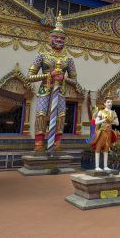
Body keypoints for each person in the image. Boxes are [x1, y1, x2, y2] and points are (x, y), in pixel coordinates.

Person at [27, 11, 77, 151]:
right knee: (41, 115)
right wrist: (49, 75)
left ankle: (57, 143)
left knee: (61, 116)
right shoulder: (42, 56)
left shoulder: (68, 59)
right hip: (45, 89)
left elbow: (74, 80)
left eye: (62, 38)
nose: (59, 40)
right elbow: (30, 76)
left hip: (60, 90)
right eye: (55, 37)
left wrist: (64, 78)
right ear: (49, 39)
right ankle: (39, 144)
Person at [91, 97, 119, 171]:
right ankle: (97, 166)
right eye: (108, 102)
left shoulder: (113, 112)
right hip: (102, 132)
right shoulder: (101, 112)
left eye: (111, 102)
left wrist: (111, 121)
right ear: (105, 103)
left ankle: (105, 166)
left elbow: (117, 123)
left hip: (109, 132)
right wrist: (104, 120)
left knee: (107, 149)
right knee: (98, 148)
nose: (110, 104)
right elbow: (96, 122)